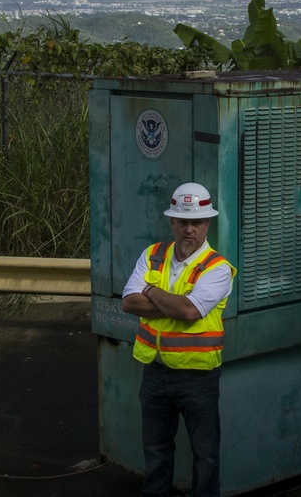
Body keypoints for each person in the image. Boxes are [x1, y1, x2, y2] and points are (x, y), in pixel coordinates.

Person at [121, 182, 236, 497]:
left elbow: (189, 311)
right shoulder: (153, 254)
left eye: (196, 222)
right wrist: (176, 301)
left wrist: (152, 291)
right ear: (172, 221)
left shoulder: (217, 268)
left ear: (207, 224)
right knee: (156, 452)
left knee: (206, 457)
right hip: (155, 373)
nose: (189, 229)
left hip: (198, 378)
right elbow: (129, 303)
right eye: (183, 222)